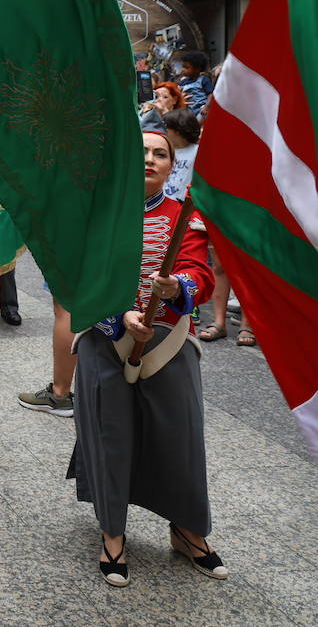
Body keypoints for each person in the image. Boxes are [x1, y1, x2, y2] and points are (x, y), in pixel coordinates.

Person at [69, 130, 221, 588]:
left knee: (180, 437)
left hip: (170, 342)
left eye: (161, 154)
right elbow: (78, 277)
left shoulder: (184, 219)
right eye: (142, 153)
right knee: (108, 433)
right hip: (104, 337)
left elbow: (200, 274)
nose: (151, 160)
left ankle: (188, 530)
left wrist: (179, 289)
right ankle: (112, 532)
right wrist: (118, 317)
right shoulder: (94, 216)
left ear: (172, 165)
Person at [160, 108, 200, 203]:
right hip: (162, 202)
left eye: (166, 127)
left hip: (181, 205)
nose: (163, 131)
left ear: (177, 131)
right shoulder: (165, 150)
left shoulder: (197, 152)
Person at [174, 51, 214, 116]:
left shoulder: (203, 80)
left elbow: (210, 94)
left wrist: (207, 106)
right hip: (187, 111)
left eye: (186, 67)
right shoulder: (182, 82)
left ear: (197, 69)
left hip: (201, 110)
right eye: (182, 67)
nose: (183, 69)